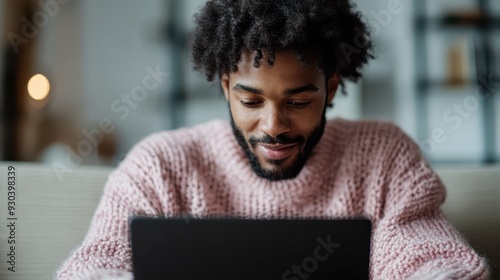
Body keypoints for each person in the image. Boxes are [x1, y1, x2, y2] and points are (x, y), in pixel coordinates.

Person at [55, 0, 490, 279]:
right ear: (226, 87)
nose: (273, 126)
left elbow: (426, 255)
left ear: (331, 90)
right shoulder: (160, 164)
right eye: (251, 101)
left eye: (298, 102)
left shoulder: (382, 156)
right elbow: (98, 264)